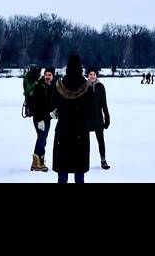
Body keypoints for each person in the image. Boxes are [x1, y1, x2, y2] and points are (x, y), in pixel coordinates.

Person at [50, 55, 93, 183]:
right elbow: (91, 112)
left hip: (63, 131)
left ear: (68, 67)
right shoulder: (87, 87)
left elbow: (52, 105)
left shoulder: (60, 85)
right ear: (80, 67)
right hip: (81, 133)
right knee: (79, 172)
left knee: (62, 171)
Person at [24, 68, 54, 172]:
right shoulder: (39, 87)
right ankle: (35, 164)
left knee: (43, 139)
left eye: (49, 75)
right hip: (40, 118)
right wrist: (40, 119)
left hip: (47, 117)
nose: (47, 76)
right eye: (46, 74)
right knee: (41, 138)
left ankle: (41, 162)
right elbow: (37, 105)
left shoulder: (51, 86)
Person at [86, 68, 111, 170]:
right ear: (88, 75)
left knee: (101, 141)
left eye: (94, 74)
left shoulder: (100, 87)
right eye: (90, 74)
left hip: (97, 118)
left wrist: (107, 117)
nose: (92, 76)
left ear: (96, 76)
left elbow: (104, 103)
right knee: (85, 142)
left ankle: (103, 160)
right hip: (86, 119)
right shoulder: (84, 86)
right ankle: (85, 161)